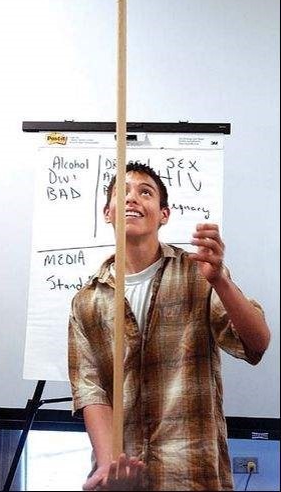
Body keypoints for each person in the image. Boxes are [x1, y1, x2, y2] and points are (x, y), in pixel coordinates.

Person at [68, 161, 270, 491]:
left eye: (145, 192)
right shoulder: (86, 301)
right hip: (125, 477)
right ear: (107, 213)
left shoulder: (199, 274)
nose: (133, 198)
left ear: (164, 214)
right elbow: (91, 391)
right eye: (123, 192)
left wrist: (221, 281)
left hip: (193, 474)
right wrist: (109, 466)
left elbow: (257, 344)